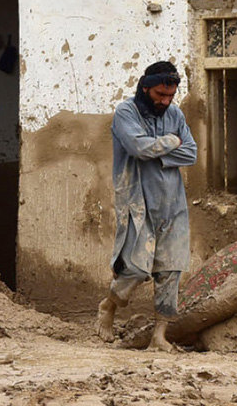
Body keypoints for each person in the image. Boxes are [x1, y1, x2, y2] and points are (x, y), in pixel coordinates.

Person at [95, 61, 197, 351]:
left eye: (170, 96)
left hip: (172, 202)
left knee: (171, 270)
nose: (165, 102)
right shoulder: (126, 112)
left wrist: (160, 149)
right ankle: (109, 305)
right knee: (136, 268)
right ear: (145, 88)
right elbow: (137, 148)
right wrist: (170, 140)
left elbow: (191, 153)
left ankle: (158, 337)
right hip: (137, 200)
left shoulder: (175, 113)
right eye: (159, 95)